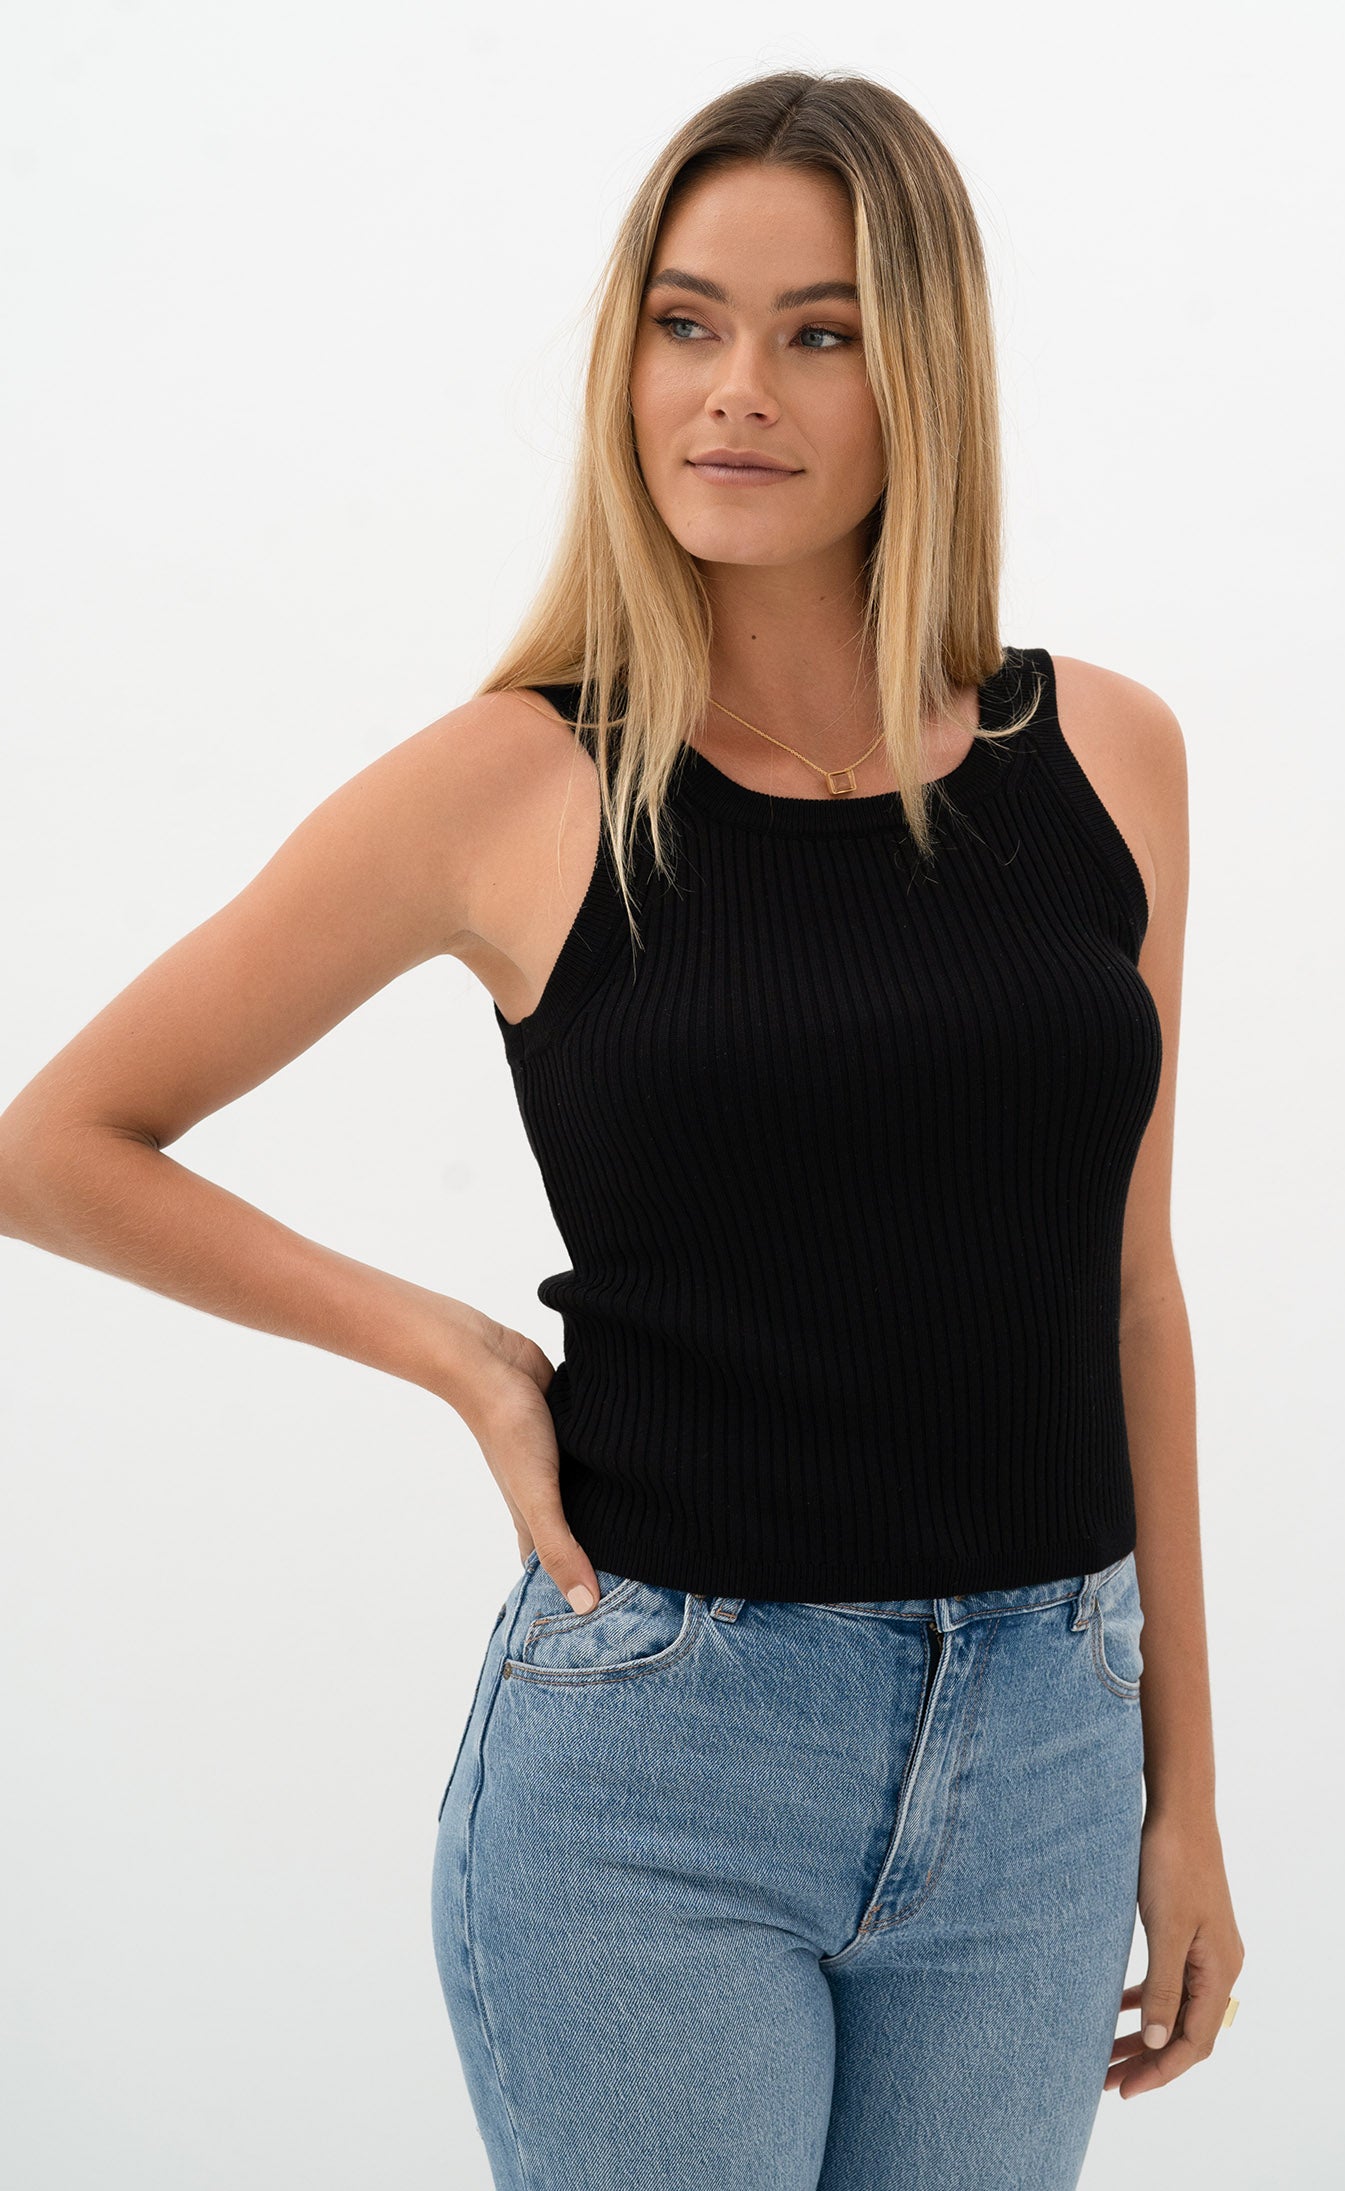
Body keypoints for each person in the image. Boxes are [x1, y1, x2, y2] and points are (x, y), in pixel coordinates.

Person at [0, 66, 1244, 2191]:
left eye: (819, 332)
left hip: (1050, 1745)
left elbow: (1130, 1294)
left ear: (926, 374)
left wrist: (1183, 1790)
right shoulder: (517, 784)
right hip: (665, 1764)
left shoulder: (1108, 756)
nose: (735, 389)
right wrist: (458, 1353)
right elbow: (59, 1144)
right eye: (687, 322)